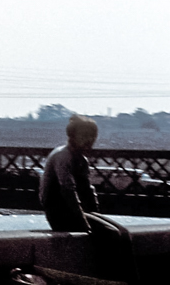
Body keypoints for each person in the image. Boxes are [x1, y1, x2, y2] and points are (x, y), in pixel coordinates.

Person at [40, 114, 139, 283]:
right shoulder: (63, 156)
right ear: (72, 136)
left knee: (124, 233)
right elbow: (68, 192)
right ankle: (114, 277)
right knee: (110, 234)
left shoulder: (81, 159)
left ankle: (128, 278)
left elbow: (87, 190)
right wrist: (84, 222)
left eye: (93, 136)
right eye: (85, 136)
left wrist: (96, 214)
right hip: (59, 212)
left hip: (74, 210)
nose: (90, 140)